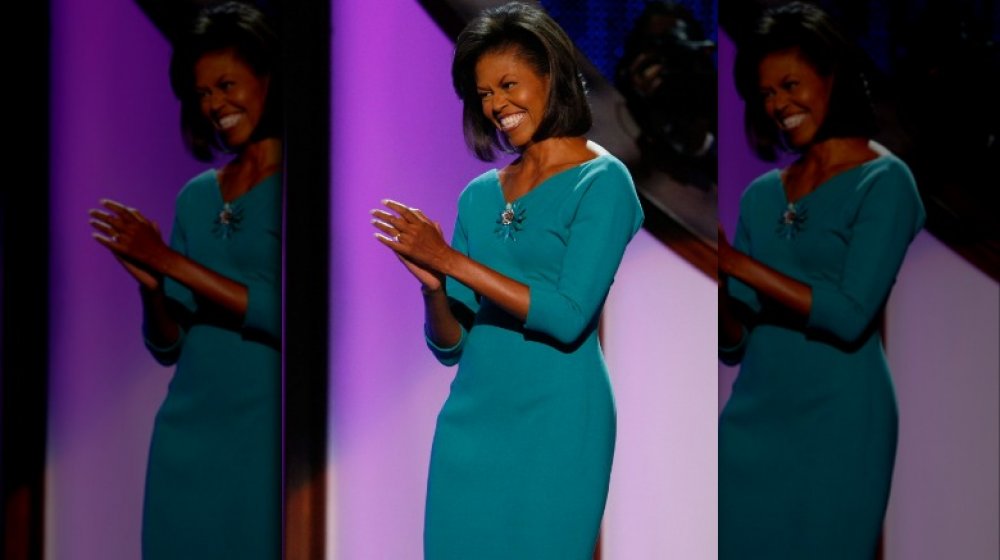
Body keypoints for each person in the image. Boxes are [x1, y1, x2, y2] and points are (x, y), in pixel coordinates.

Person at [371, 2, 643, 557]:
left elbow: (568, 316)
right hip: (471, 425)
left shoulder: (604, 182)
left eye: (509, 84)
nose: (497, 105)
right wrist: (432, 287)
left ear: (551, 75)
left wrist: (450, 261)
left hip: (557, 424)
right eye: (484, 94)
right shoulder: (479, 195)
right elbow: (452, 347)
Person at [717, 3, 925, 559]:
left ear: (832, 78)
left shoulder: (884, 183)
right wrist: (718, 281)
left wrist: (738, 264)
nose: (779, 104)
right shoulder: (761, 195)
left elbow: (851, 311)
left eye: (790, 85)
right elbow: (734, 343)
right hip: (752, 423)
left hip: (839, 424)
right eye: (766, 94)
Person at [88, 3, 281, 558]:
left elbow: (285, 311)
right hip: (186, 435)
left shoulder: (302, 188)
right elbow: (169, 344)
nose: (215, 104)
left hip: (261, 436)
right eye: (202, 94)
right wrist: (151, 282)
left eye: (226, 84)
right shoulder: (196, 197)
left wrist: (170, 262)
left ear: (269, 78)